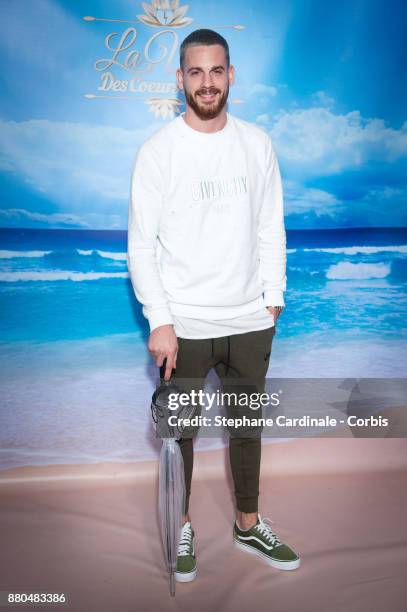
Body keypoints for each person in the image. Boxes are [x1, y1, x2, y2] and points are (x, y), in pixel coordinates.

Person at [127, 28, 300, 582]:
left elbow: (270, 226)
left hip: (250, 318)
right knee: (182, 434)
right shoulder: (159, 151)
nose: (207, 83)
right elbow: (140, 243)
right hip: (186, 323)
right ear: (180, 79)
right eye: (196, 72)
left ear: (231, 76)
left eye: (217, 71)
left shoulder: (257, 144)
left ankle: (247, 524)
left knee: (246, 428)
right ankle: (182, 526)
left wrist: (273, 298)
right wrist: (161, 319)